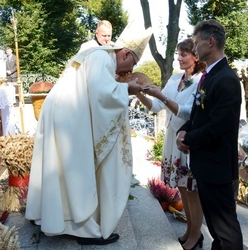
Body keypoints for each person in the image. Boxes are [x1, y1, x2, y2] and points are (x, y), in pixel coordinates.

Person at [25, 22, 152, 245]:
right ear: (124, 53)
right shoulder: (103, 58)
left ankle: (53, 218)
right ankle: (83, 228)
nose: (130, 70)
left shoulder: (95, 54)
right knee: (78, 171)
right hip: (69, 119)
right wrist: (126, 89)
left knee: (60, 171)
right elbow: (101, 95)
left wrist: (121, 87)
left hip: (62, 114)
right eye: (132, 62)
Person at [176, 19, 243, 249]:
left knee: (225, 229)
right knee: (217, 228)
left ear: (211, 42)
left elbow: (218, 126)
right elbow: (197, 115)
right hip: (206, 164)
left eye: (196, 43)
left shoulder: (227, 80)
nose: (194, 48)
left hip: (217, 166)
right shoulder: (211, 76)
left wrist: (189, 139)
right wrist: (183, 130)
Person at [136, 38, 206, 249]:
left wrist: (162, 98)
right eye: (178, 54)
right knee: (183, 189)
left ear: (196, 56)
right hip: (172, 137)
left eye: (184, 54)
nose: (179, 58)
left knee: (192, 190)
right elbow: (155, 106)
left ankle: (197, 235)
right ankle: (189, 230)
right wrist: (139, 92)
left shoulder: (201, 80)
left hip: (188, 139)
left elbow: (187, 111)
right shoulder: (174, 78)